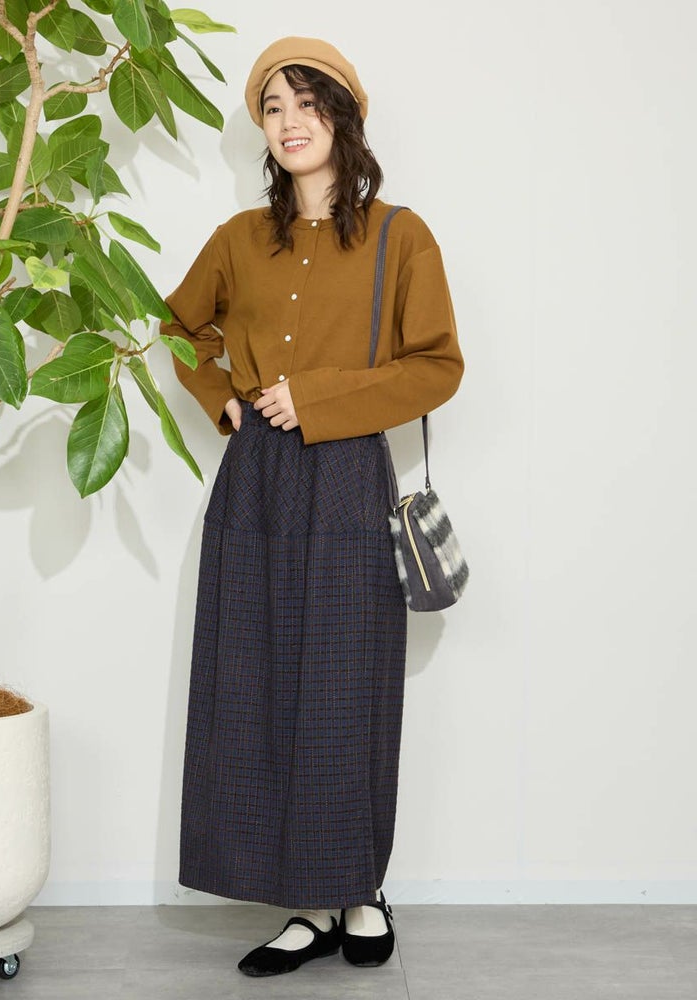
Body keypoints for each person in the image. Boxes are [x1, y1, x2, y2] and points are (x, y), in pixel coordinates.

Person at [161, 36, 464, 978]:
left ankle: (358, 890)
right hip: (255, 479)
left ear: (343, 116)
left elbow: (437, 366)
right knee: (256, 681)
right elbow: (176, 325)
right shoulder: (237, 240)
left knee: (345, 683)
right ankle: (304, 906)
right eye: (273, 107)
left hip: (346, 479)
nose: (290, 123)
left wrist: (319, 398)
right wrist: (221, 396)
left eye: (308, 103)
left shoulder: (401, 236)